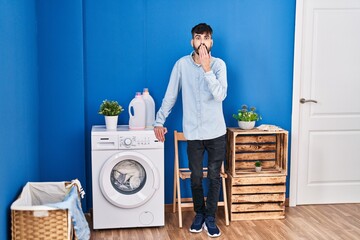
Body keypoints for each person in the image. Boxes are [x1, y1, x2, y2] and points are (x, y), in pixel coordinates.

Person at [153, 23, 227, 238]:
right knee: (196, 177)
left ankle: (211, 217)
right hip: (193, 133)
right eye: (198, 37)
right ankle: (199, 214)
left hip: (216, 133)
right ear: (191, 42)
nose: (202, 42)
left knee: (214, 176)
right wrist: (159, 122)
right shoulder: (181, 65)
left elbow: (220, 95)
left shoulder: (219, 65)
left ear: (211, 42)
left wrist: (207, 69)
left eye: (206, 38)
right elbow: (170, 96)